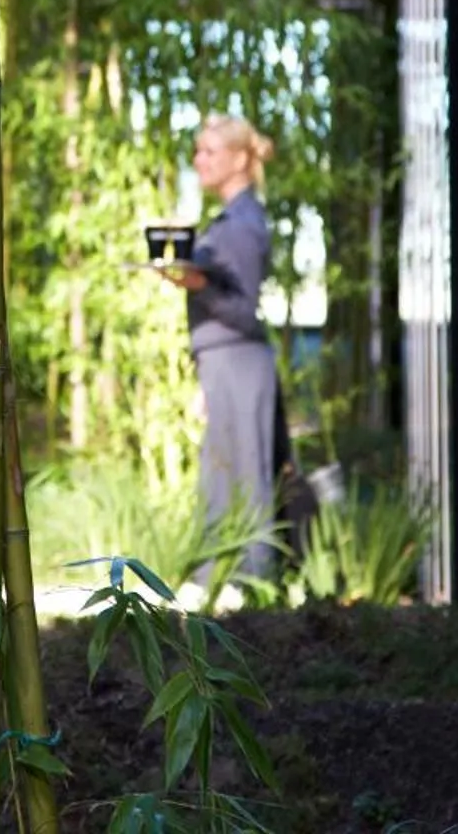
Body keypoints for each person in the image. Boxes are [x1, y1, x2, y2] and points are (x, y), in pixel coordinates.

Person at [157, 114, 282, 587]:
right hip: (223, 361)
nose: (198, 160)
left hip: (240, 360)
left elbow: (245, 310)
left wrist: (196, 282)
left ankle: (252, 590)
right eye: (198, 151)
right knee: (220, 476)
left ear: (238, 159)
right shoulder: (229, 220)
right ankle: (212, 585)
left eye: (208, 151)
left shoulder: (243, 223)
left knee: (246, 479)